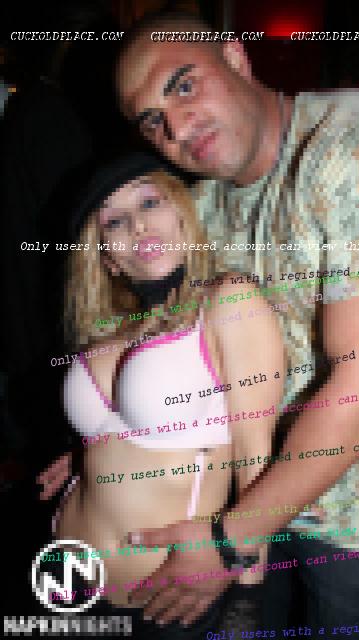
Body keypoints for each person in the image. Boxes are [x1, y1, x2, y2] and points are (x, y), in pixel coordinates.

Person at [111, 10, 359, 636]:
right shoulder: (202, 203)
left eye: (183, 85)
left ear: (235, 58)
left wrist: (227, 541)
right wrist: (106, 429)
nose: (177, 128)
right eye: (152, 120)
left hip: (357, 513)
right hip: (247, 492)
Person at [53, 152, 284, 636]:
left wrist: (247, 595)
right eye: (114, 220)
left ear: (182, 213)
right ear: (107, 257)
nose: (137, 224)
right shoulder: (110, 332)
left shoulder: (228, 302)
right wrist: (80, 457)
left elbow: (255, 461)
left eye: (149, 202)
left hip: (167, 599)